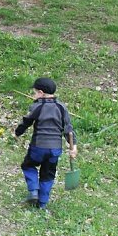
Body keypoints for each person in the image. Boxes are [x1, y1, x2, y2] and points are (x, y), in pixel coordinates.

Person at [14, 78, 77, 209]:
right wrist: (74, 146)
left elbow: (26, 122)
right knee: (48, 174)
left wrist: (17, 133)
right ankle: (42, 203)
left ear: (41, 93)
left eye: (34, 92)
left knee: (28, 165)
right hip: (55, 149)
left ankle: (33, 190)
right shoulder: (61, 107)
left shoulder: (37, 106)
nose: (34, 95)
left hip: (38, 147)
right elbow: (68, 129)